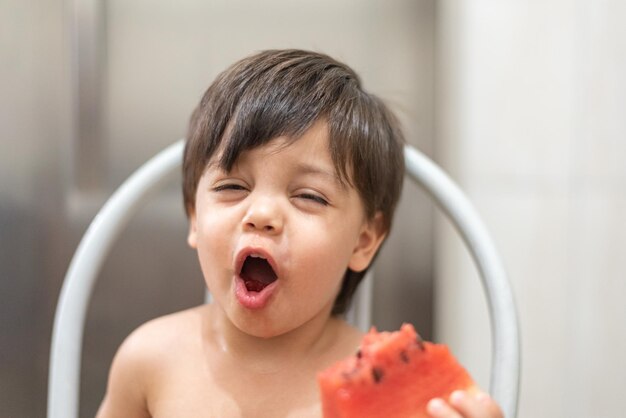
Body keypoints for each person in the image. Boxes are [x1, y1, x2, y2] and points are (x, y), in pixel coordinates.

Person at [96, 49, 503, 418]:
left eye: (308, 196)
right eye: (232, 187)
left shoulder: (394, 393)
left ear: (364, 240)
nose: (262, 213)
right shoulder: (149, 361)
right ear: (195, 220)